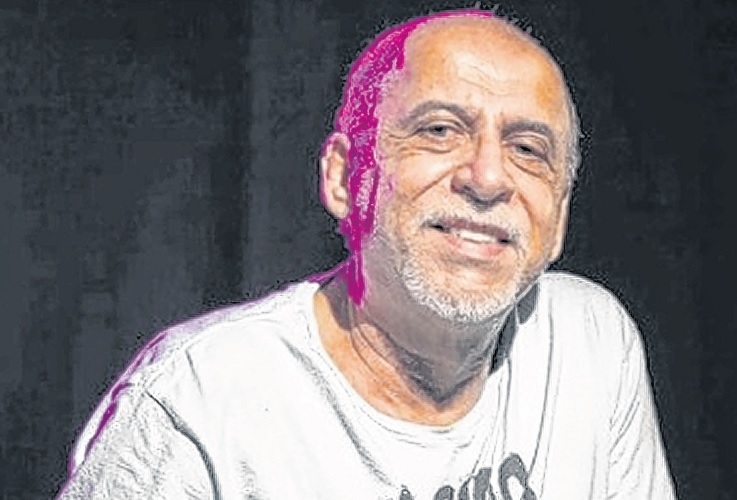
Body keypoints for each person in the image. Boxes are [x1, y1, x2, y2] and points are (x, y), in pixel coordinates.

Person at [57, 7, 677, 499]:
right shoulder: (201, 399)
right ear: (343, 178)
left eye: (528, 149)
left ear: (559, 217)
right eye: (440, 130)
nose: (488, 178)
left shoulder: (589, 341)